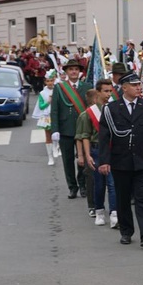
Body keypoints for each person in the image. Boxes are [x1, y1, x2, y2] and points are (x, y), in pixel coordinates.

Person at [98, 72, 143, 246]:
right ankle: (126, 231)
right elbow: (104, 138)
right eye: (134, 85)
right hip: (121, 161)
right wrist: (104, 161)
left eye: (139, 85)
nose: (138, 88)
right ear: (124, 87)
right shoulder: (111, 109)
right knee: (123, 198)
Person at [77, 80, 118, 228]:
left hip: (112, 149)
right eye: (105, 91)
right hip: (96, 150)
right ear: (98, 93)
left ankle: (114, 213)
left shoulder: (114, 109)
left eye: (110, 91)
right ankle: (99, 210)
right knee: (99, 184)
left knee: (113, 183)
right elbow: (85, 136)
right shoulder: (89, 113)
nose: (108, 94)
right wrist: (86, 155)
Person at [51, 59, 92, 199]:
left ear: (80, 72)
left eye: (76, 69)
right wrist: (55, 129)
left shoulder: (87, 87)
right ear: (66, 72)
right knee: (67, 161)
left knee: (83, 160)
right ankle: (72, 187)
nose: (74, 71)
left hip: (83, 130)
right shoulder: (59, 88)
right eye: (71, 69)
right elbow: (54, 110)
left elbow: (90, 109)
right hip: (65, 129)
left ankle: (82, 185)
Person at [75, 90, 97, 218]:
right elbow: (79, 137)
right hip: (89, 150)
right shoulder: (85, 115)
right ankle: (92, 206)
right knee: (91, 179)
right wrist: (81, 155)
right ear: (94, 100)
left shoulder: (104, 112)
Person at [32, 69, 58, 165]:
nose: (50, 83)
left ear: (54, 80)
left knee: (57, 135)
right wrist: (48, 102)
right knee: (48, 137)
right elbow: (41, 106)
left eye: (51, 80)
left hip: (57, 115)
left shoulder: (58, 90)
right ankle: (50, 157)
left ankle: (56, 147)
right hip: (47, 116)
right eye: (48, 81)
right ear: (45, 82)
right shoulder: (43, 93)